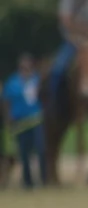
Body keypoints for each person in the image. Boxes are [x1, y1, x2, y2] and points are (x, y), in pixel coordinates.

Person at [3, 54, 48, 189]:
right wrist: (8, 118)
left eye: (28, 67)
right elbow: (6, 101)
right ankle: (28, 182)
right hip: (20, 123)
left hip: (36, 121)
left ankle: (44, 179)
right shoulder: (12, 83)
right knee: (24, 154)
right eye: (24, 67)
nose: (26, 69)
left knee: (41, 150)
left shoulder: (36, 80)